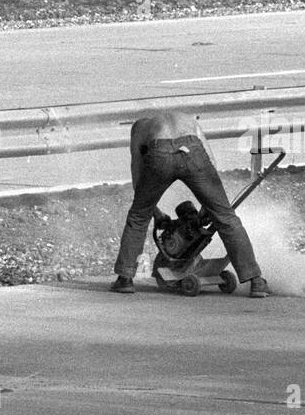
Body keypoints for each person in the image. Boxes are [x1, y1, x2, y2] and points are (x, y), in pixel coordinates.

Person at [111, 111, 269, 297]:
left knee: (138, 217)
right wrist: (208, 204)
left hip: (159, 153)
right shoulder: (186, 118)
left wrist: (155, 212)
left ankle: (125, 278)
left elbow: (137, 171)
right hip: (193, 149)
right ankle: (255, 281)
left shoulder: (140, 127)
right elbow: (210, 159)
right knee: (225, 217)